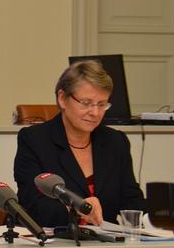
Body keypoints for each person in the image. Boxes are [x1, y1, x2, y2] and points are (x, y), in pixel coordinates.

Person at [14, 60, 146, 227]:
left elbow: (132, 201)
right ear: (62, 99)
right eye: (86, 103)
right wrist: (77, 208)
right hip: (52, 243)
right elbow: (33, 206)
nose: (95, 113)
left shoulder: (116, 141)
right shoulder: (35, 140)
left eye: (102, 104)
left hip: (105, 245)